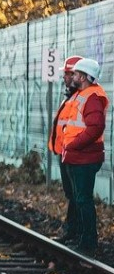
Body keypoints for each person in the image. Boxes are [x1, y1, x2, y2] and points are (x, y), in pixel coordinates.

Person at [58, 57, 106, 255]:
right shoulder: (82, 94)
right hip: (77, 156)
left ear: (85, 77)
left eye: (77, 74)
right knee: (79, 199)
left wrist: (73, 145)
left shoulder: (92, 97)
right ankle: (81, 238)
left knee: (83, 199)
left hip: (85, 157)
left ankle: (88, 243)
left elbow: (95, 128)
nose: (73, 76)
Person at [50, 55, 85, 244]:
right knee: (72, 194)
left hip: (75, 155)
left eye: (67, 74)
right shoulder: (71, 97)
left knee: (77, 195)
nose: (64, 77)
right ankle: (73, 231)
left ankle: (78, 233)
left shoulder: (80, 98)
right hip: (66, 154)